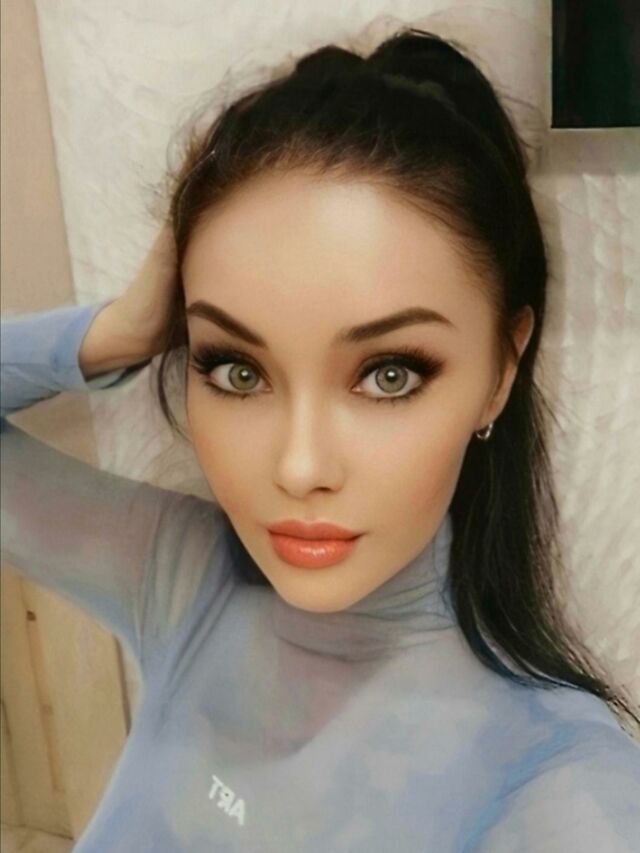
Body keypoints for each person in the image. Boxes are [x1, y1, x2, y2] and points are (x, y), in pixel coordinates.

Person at [2, 27, 639, 853]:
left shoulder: (558, 784)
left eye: (389, 375)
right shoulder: (184, 580)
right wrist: (118, 332)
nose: (300, 467)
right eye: (236, 369)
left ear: (500, 371)